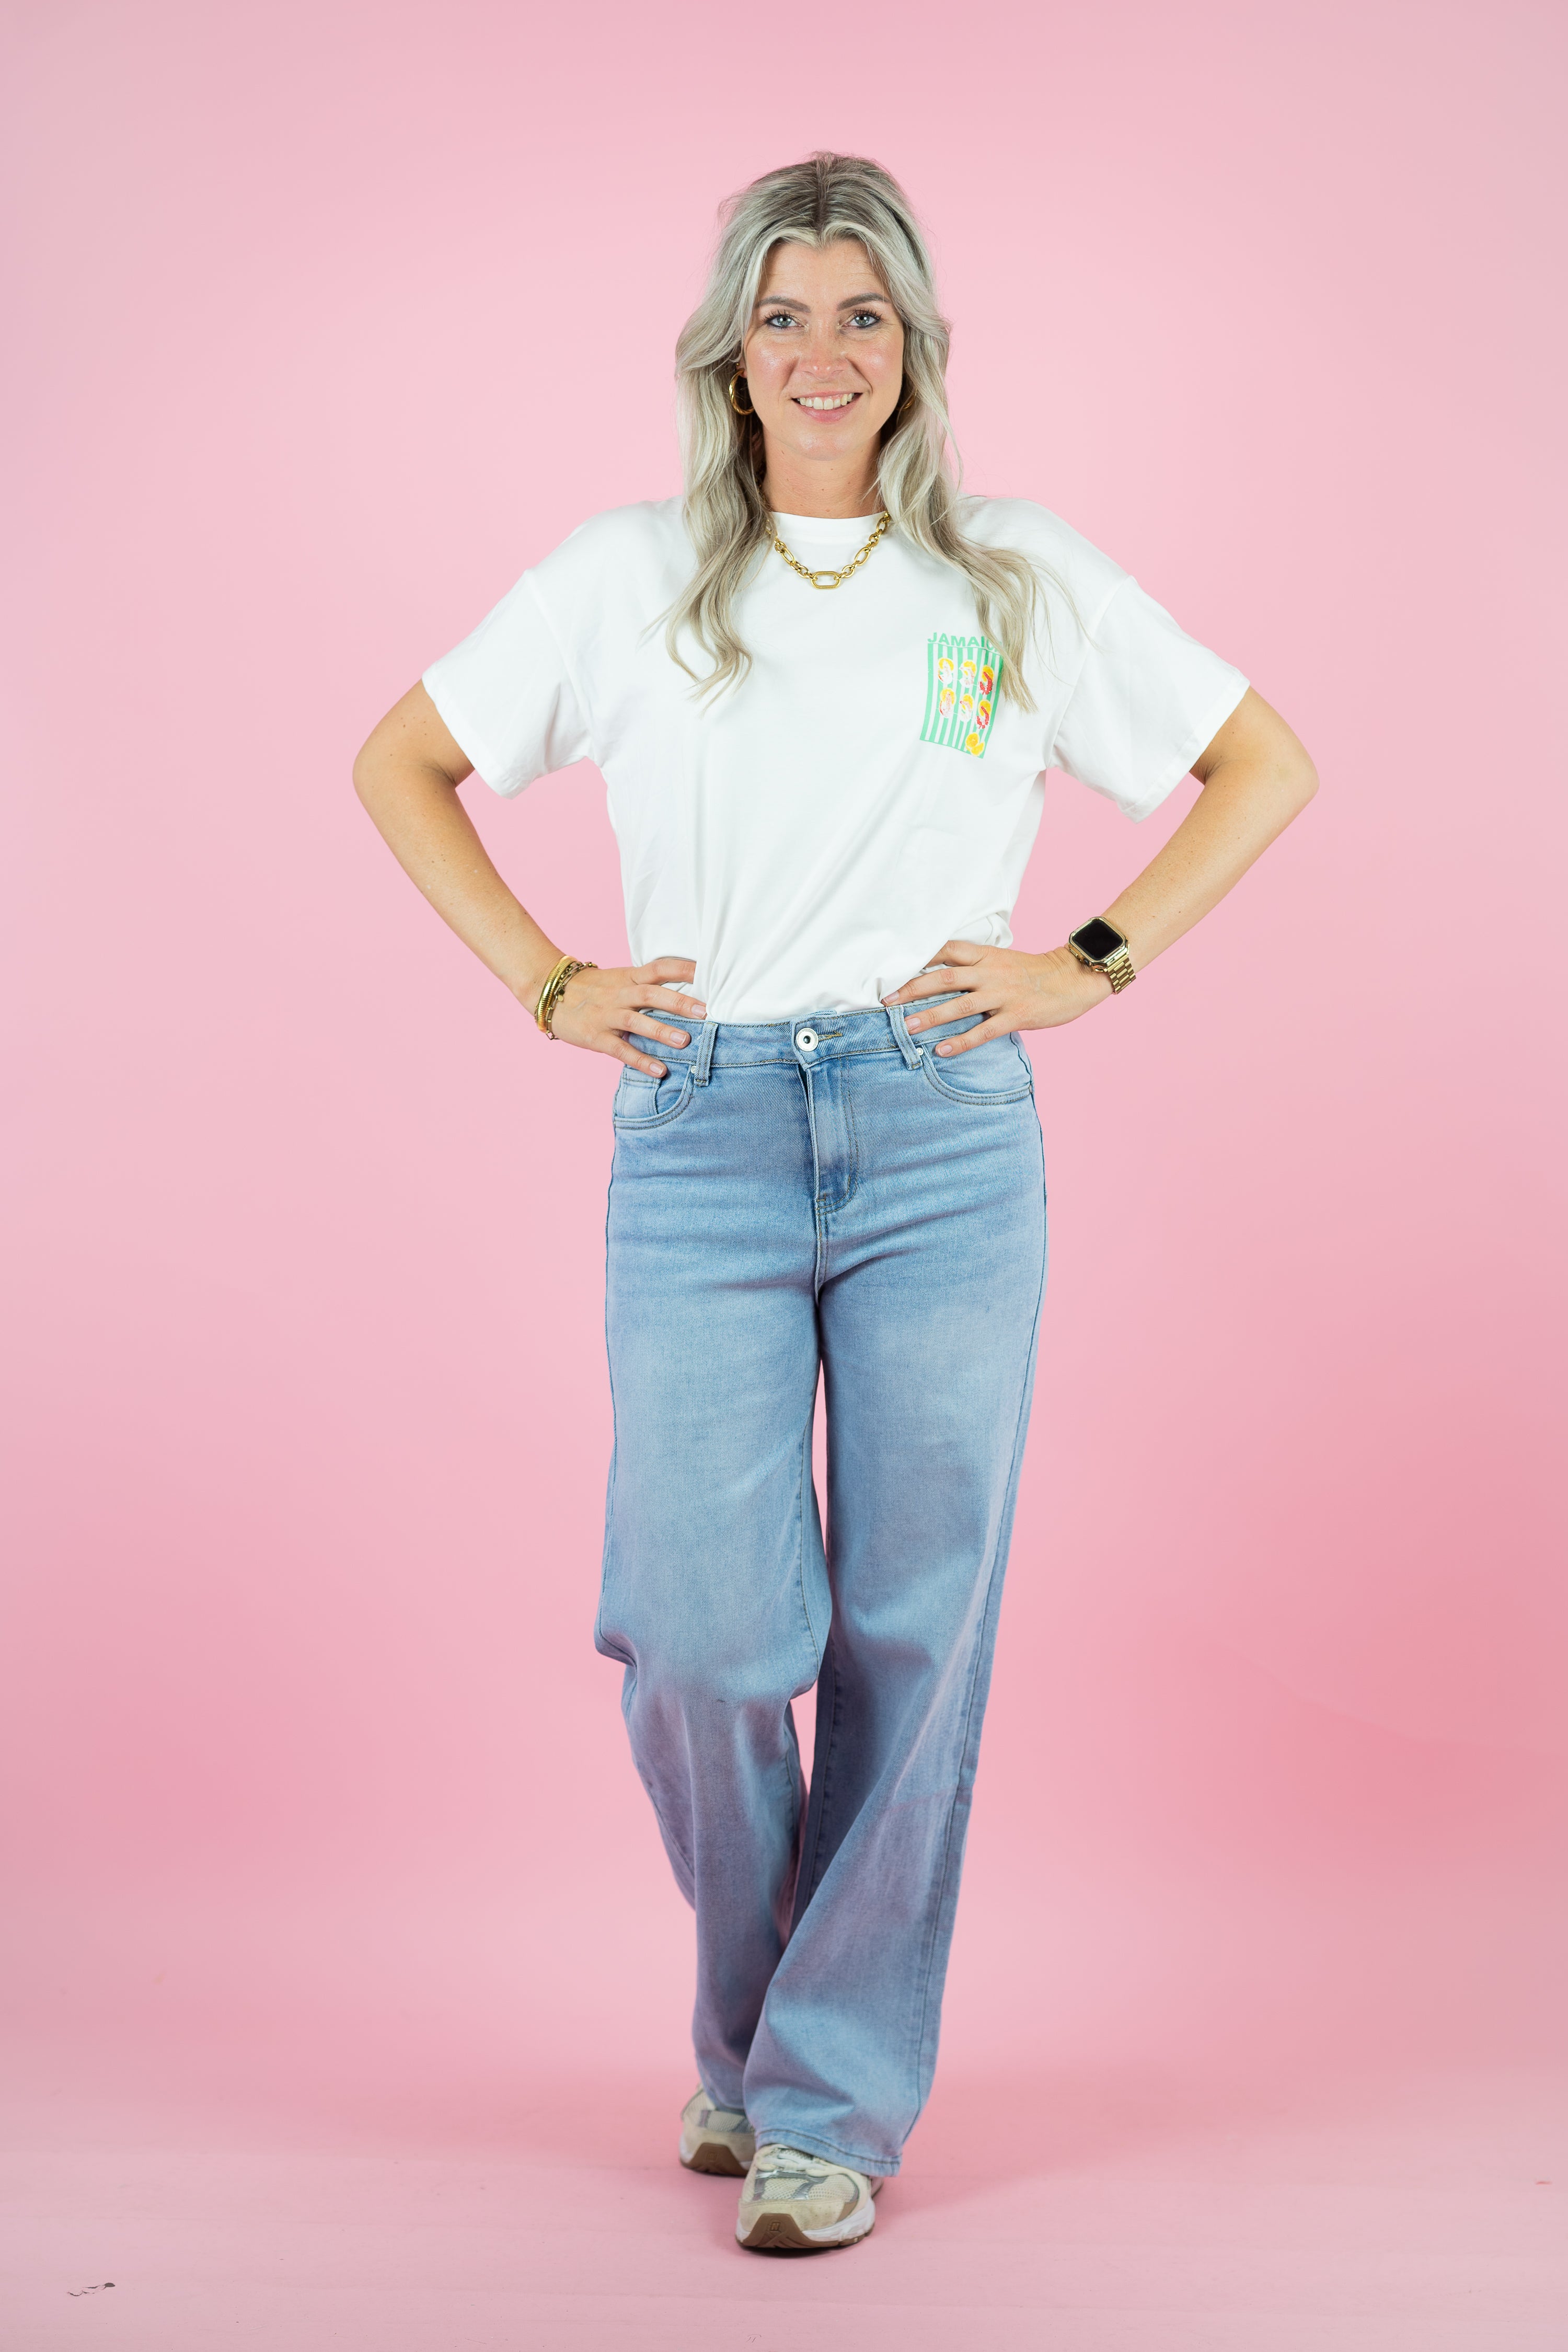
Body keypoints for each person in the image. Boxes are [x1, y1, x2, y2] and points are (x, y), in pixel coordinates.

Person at [352, 151, 1317, 2254]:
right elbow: (397, 762)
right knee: (707, 1637)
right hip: (700, 1125)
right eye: (782, 315)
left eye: (861, 314)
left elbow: (1265, 764)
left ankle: (825, 2106)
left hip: (941, 1128)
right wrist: (548, 980)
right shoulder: (627, 578)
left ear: (917, 348)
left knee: (911, 1628)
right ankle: (767, 2025)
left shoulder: (1015, 577)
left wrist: (1091, 959)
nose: (821, 353)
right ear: (729, 352)